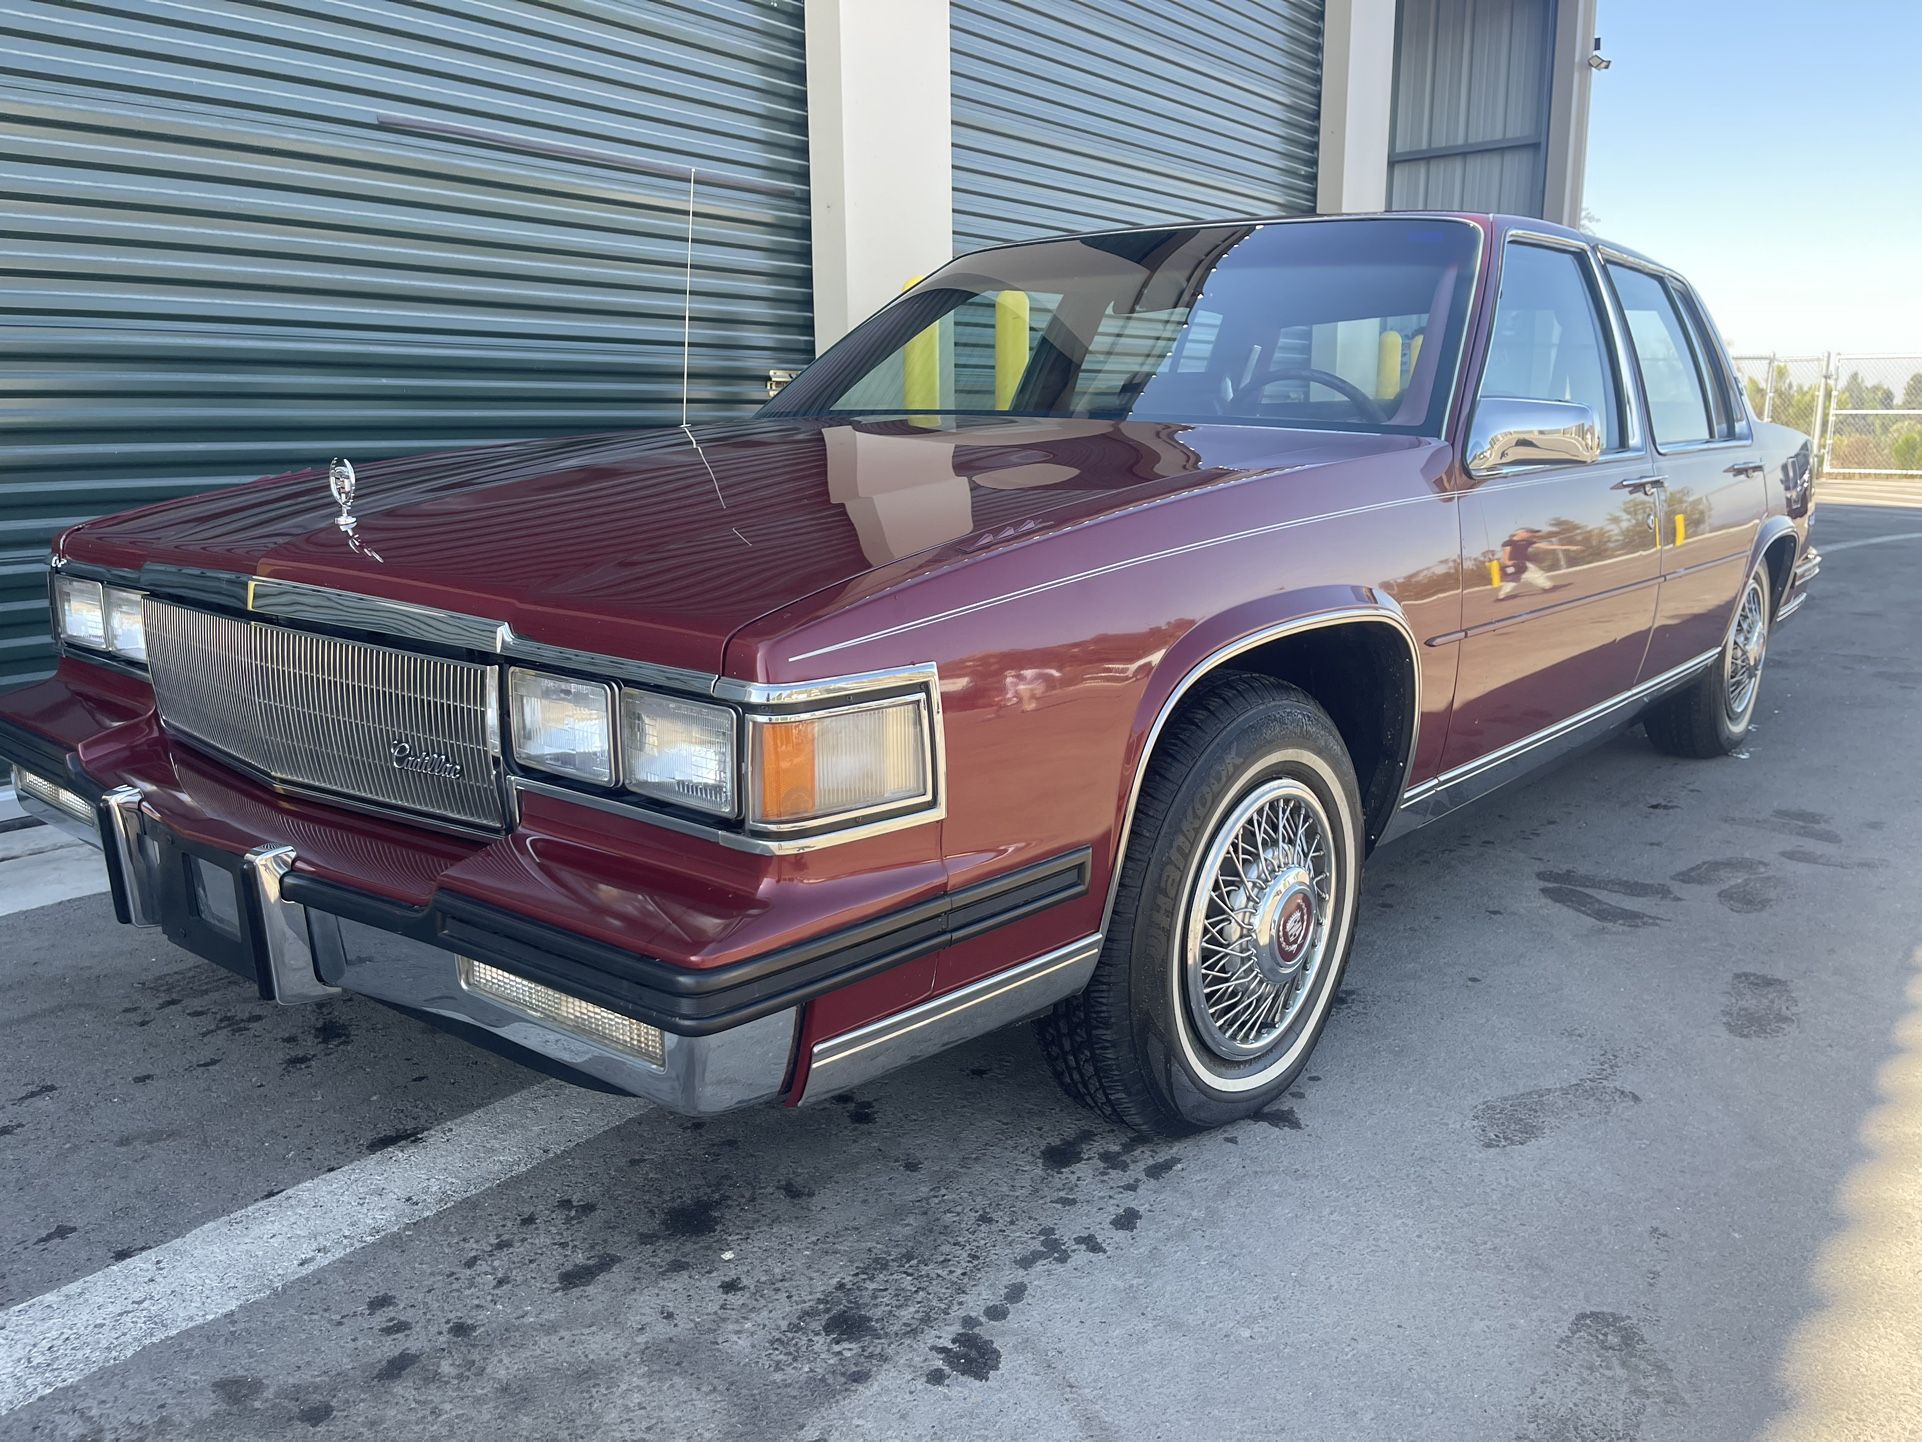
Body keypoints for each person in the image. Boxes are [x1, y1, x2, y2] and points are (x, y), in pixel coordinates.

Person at [1496, 527, 1576, 599]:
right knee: (1534, 574)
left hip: (1523, 562)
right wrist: (1507, 562)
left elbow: (1547, 547)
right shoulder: (1508, 542)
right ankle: (1548, 587)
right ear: (1520, 533)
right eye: (1529, 532)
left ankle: (1501, 596)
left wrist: (1568, 547)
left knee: (1514, 579)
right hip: (1516, 563)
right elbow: (1506, 553)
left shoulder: (1527, 542)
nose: (1531, 534)